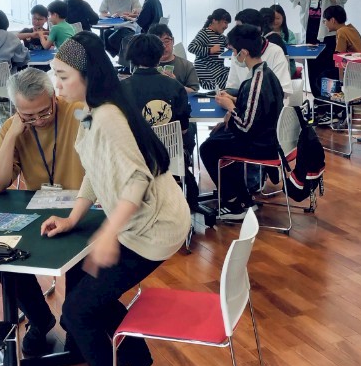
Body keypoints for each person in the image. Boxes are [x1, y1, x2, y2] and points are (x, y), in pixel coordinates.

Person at [42, 33, 188, 366]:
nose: (57, 84)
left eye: (63, 76)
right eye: (55, 75)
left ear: (87, 76)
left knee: (78, 311)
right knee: (91, 302)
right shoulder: (92, 112)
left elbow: (137, 178)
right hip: (143, 223)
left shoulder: (106, 116)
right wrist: (74, 217)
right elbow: (95, 169)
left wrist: (108, 232)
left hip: (153, 229)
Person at [0, 68, 88, 357]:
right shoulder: (14, 127)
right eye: (28, 116)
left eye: (44, 112)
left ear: (54, 97)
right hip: (40, 216)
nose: (39, 120)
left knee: (85, 261)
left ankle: (75, 323)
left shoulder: (79, 113)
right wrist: (12, 135)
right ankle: (40, 319)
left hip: (82, 211)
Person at [198, 24, 285, 222]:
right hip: (268, 138)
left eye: (234, 51)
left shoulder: (256, 81)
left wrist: (230, 107)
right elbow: (259, 107)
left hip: (262, 145)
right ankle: (244, 198)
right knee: (218, 136)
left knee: (208, 148)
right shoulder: (265, 73)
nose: (233, 56)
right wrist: (236, 100)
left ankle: (235, 203)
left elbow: (245, 126)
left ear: (244, 53)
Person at [121, 33, 197, 208]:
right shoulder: (175, 86)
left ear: (132, 57)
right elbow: (183, 129)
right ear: (159, 56)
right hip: (170, 156)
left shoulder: (122, 88)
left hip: (134, 156)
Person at [287, 0, 350, 99]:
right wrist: (305, 4)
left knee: (328, 69)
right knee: (313, 69)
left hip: (330, 29)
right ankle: (317, 103)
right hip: (311, 27)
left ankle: (332, 104)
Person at [226, 9, 290, 93]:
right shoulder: (237, 53)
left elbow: (283, 91)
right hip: (243, 100)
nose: (235, 33)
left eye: (239, 29)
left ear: (256, 30)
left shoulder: (275, 52)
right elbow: (232, 87)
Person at [187, 8, 231, 90]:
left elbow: (229, 43)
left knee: (235, 73)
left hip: (218, 71)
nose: (226, 26)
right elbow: (191, 47)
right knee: (232, 79)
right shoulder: (204, 33)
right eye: (225, 22)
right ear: (215, 20)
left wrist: (231, 45)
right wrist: (209, 50)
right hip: (208, 73)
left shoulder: (220, 36)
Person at [146, 23, 198, 91]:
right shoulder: (144, 65)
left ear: (173, 41)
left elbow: (194, 92)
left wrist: (175, 84)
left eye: (166, 41)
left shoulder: (187, 66)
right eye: (157, 43)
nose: (163, 46)